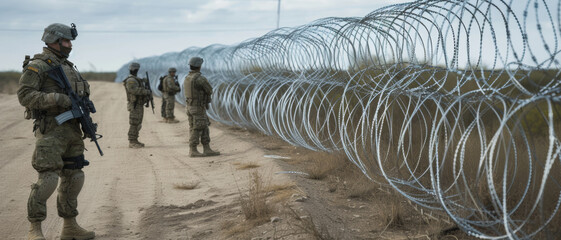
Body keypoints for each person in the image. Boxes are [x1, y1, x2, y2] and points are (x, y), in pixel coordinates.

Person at [17, 23, 95, 240]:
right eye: (66, 41)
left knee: (74, 177)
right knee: (48, 179)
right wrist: (57, 99)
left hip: (72, 130)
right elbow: (25, 96)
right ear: (54, 40)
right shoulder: (39, 66)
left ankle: (70, 227)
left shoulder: (68, 66)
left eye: (70, 41)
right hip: (51, 130)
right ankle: (35, 230)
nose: (70, 45)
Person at [183, 57, 220, 157]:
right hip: (197, 107)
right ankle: (193, 150)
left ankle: (207, 148)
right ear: (199, 66)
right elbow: (209, 90)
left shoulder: (188, 77)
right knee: (197, 128)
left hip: (190, 106)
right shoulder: (199, 78)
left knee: (203, 126)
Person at [123, 62, 152, 148]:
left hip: (138, 104)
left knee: (138, 123)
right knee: (134, 122)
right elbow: (133, 90)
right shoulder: (131, 80)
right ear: (136, 69)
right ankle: (132, 141)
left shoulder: (135, 79)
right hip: (134, 105)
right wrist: (146, 91)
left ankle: (135, 140)